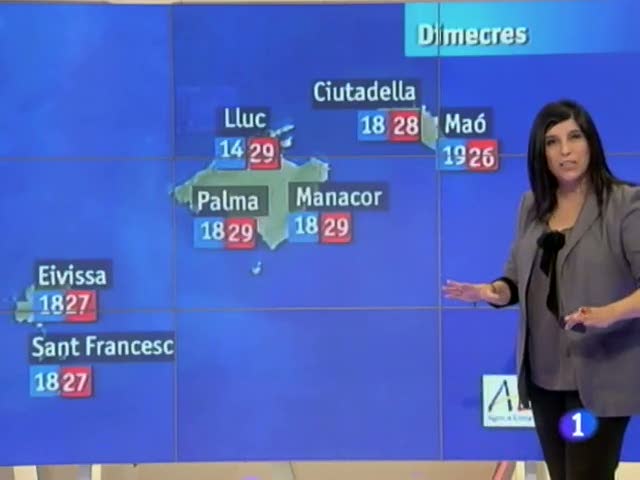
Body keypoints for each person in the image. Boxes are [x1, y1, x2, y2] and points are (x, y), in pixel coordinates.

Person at [443, 99, 640, 480]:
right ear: (541, 153)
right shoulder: (531, 206)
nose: (565, 151)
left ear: (591, 143)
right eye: (552, 142)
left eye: (574, 137)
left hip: (598, 380)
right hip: (544, 380)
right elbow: (515, 279)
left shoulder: (624, 205)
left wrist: (606, 315)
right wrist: (493, 292)